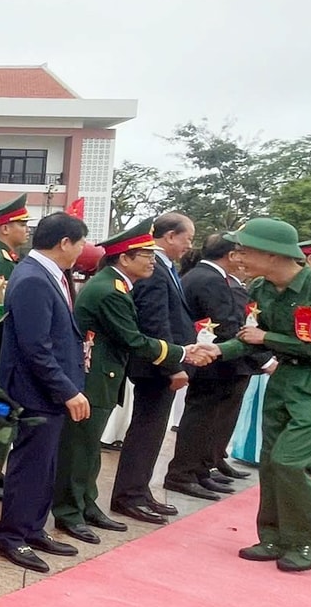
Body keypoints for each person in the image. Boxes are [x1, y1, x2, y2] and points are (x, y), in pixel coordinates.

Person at [214, 218, 311, 572]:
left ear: (272, 254)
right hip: (285, 381)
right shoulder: (264, 289)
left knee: (291, 462)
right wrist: (218, 352)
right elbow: (250, 335)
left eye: (246, 251)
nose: (239, 257)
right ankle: (276, 536)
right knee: (271, 463)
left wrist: (268, 340)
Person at [58, 221, 214, 531]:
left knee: (89, 451)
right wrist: (181, 354)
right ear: (124, 258)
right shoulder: (110, 290)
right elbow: (133, 339)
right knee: (81, 450)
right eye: (146, 254)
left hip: (105, 374)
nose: (152, 261)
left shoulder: (115, 284)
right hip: (95, 375)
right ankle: (68, 512)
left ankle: (86, 505)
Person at [0, 212, 92, 566]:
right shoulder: (34, 278)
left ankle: (33, 527)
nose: (82, 251)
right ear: (64, 242)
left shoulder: (49, 275)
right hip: (35, 391)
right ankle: (11, 535)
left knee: (45, 464)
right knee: (29, 465)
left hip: (46, 392)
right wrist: (67, 390)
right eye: (79, 243)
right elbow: (36, 347)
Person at [166, 234, 261, 491]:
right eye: (242, 253)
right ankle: (183, 474)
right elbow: (226, 323)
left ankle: (200, 469)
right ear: (231, 255)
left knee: (210, 419)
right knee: (200, 419)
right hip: (213, 360)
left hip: (217, 359)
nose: (244, 260)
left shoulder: (207, 276)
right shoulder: (210, 279)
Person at [125, 213, 206, 504]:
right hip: (156, 367)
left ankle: (140, 490)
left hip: (164, 363)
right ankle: (130, 494)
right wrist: (173, 367)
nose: (189, 245)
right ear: (170, 236)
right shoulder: (154, 269)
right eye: (188, 238)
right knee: (146, 432)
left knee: (153, 432)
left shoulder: (166, 268)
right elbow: (154, 322)